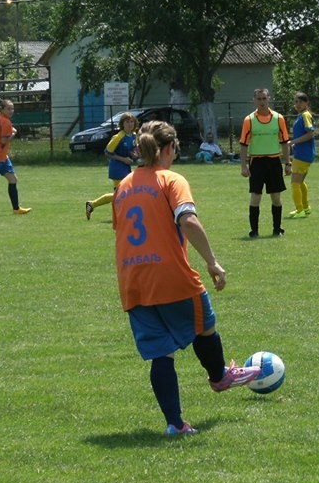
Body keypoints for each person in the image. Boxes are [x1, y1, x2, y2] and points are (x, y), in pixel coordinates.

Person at [112, 120, 261, 436]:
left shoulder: (123, 185)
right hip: (170, 275)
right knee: (205, 324)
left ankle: (175, 424)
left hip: (132, 280)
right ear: (169, 148)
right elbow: (188, 221)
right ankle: (219, 376)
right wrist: (213, 262)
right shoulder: (171, 179)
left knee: (161, 353)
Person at [239, 88, 290, 237]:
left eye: (264, 98)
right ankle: (254, 231)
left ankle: (277, 229)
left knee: (276, 197)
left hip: (274, 162)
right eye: (259, 99)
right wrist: (243, 166)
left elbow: (284, 142)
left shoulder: (279, 118)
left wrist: (288, 163)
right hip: (257, 162)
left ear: (269, 99)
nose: (262, 102)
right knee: (255, 197)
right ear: (254, 100)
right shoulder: (249, 120)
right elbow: (243, 144)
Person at [86, 113, 138, 220]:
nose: (130, 124)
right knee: (123, 194)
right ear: (122, 124)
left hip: (126, 167)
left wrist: (135, 154)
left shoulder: (134, 135)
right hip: (117, 168)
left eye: (131, 121)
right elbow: (107, 152)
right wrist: (123, 159)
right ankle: (122, 215)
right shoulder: (118, 137)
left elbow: (133, 149)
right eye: (127, 122)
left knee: (122, 194)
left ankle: (92, 204)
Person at [287, 92, 316, 218]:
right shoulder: (301, 116)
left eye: (301, 102)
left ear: (306, 103)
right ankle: (306, 207)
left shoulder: (305, 115)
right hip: (303, 153)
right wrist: (295, 144)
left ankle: (300, 210)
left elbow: (310, 134)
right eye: (296, 102)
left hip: (303, 154)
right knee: (300, 182)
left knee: (295, 183)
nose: (298, 104)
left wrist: (293, 142)